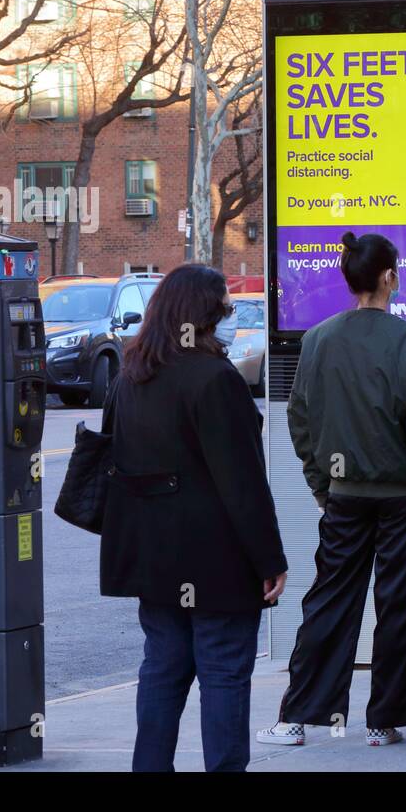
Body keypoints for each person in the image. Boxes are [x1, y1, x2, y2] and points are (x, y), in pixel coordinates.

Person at [261, 232, 406, 748]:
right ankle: (383, 717)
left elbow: (299, 417)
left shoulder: (319, 339)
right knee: (397, 603)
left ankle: (300, 713)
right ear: (390, 277)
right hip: (403, 496)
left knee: (329, 600)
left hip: (344, 495)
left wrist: (322, 483)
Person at [99, 263, 288, 772]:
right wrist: (269, 559)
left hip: (152, 557)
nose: (229, 316)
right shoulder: (215, 379)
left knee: (162, 669)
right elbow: (242, 484)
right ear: (203, 316)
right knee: (224, 673)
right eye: (224, 308)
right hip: (215, 559)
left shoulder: (132, 374)